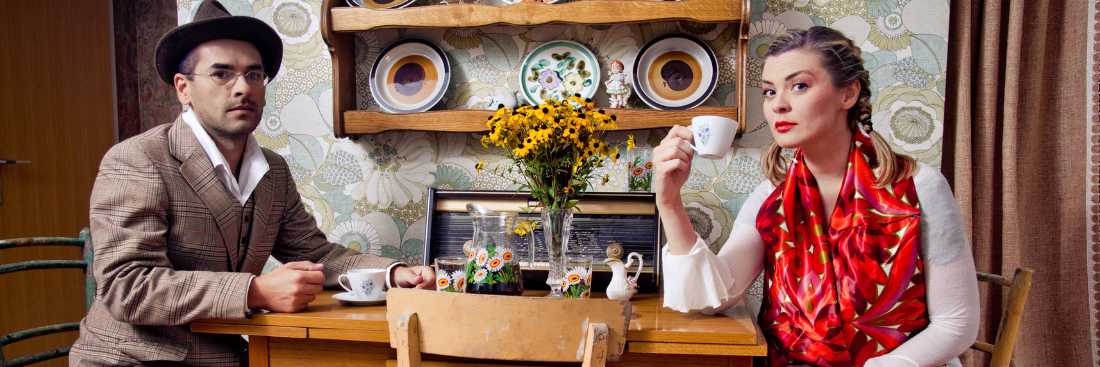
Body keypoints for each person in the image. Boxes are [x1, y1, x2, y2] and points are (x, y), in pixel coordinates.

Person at [70, 1, 434, 365]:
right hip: (131, 360)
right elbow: (127, 288)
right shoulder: (137, 160)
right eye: (221, 74)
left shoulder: (272, 172)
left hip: (230, 357)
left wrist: (393, 273)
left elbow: (316, 255)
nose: (243, 87)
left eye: (254, 75)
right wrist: (255, 291)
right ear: (184, 88)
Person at [654, 26, 979, 367]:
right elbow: (716, 294)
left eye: (799, 86)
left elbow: (957, 324)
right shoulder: (771, 196)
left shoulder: (918, 187)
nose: (778, 104)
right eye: (768, 91)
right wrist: (670, 202)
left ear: (848, 94)